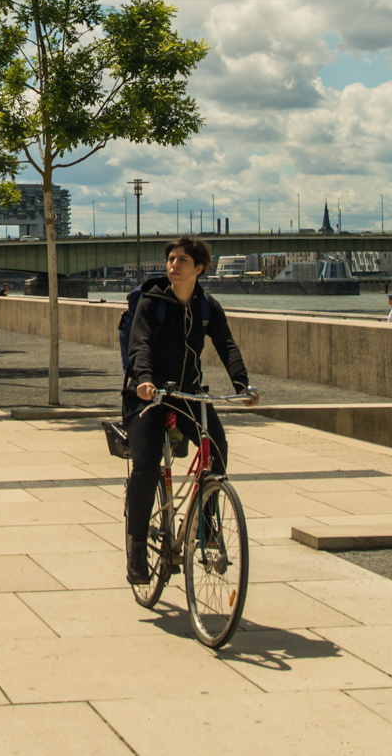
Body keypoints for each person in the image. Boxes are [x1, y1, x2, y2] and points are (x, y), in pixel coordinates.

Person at [122, 235, 256, 586]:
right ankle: (136, 547)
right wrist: (145, 380)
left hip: (188, 395)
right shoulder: (152, 302)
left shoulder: (207, 306)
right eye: (170, 259)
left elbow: (226, 345)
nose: (173, 264)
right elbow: (140, 345)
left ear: (199, 268)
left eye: (182, 260)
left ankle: (207, 526)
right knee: (147, 464)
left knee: (218, 450)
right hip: (146, 396)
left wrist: (242, 384)